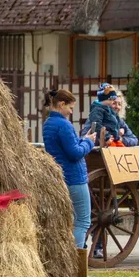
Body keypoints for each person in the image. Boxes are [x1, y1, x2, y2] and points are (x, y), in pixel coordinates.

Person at [43, 88, 96, 249]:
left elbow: (65, 148)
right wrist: (89, 142)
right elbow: (74, 153)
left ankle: (69, 261)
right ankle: (77, 261)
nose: (71, 112)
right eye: (70, 107)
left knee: (70, 221)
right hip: (75, 177)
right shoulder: (64, 124)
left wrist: (83, 139)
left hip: (60, 177)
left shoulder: (48, 124)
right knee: (83, 221)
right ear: (61, 104)